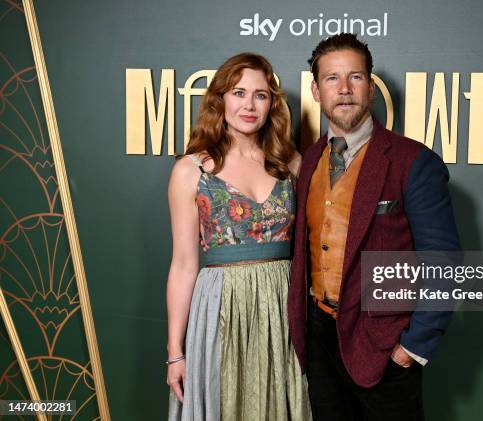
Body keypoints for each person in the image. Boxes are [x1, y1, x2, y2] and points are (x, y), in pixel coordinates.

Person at [287, 34, 461, 420]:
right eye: (332, 79)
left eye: (355, 77)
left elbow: (444, 262)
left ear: (371, 85)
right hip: (319, 340)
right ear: (316, 90)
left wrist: (411, 348)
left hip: (385, 346)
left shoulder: (413, 161)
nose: (344, 89)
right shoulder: (310, 159)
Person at [166, 53, 311, 421]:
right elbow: (184, 264)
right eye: (238, 92)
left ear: (271, 104)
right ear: (220, 100)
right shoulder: (190, 171)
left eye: (260, 95)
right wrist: (175, 351)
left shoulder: (292, 163)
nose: (249, 105)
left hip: (282, 307)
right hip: (220, 306)